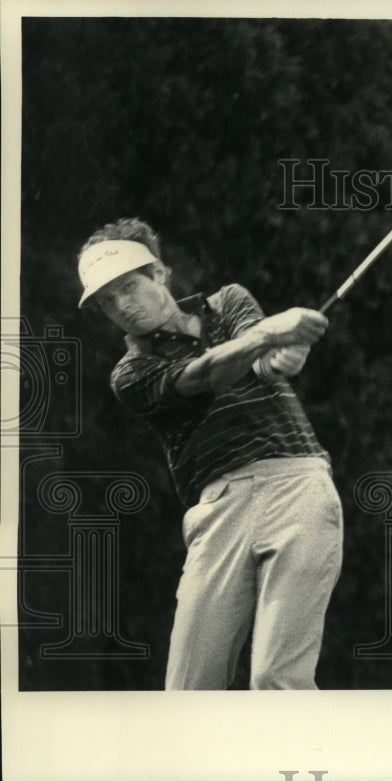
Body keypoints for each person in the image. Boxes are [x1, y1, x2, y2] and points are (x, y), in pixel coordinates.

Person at [77, 217, 343, 690]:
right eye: (107, 301)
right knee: (188, 690)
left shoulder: (229, 302)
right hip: (218, 511)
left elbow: (263, 361)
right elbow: (201, 377)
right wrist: (268, 338)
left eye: (128, 286)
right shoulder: (131, 372)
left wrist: (284, 354)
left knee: (277, 678)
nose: (122, 306)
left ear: (160, 273)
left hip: (296, 486)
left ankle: (305, 766)